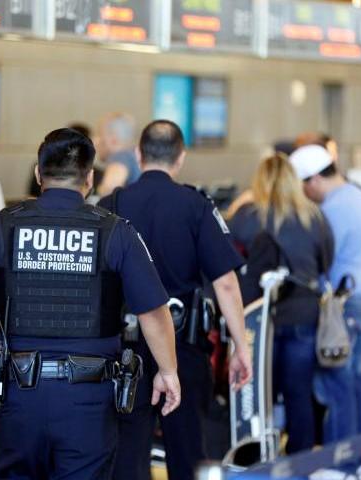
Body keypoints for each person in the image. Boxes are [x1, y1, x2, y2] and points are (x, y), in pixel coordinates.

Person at [0, 128, 181, 480]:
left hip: (17, 396)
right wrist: (168, 371)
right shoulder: (116, 232)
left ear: (39, 175)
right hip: (88, 402)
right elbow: (152, 312)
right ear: (89, 178)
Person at [99, 120, 252, 480]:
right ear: (181, 158)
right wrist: (241, 347)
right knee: (187, 453)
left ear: (139, 154)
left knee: (128, 453)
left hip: (124, 350)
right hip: (184, 348)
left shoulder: (112, 203)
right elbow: (226, 283)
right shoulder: (196, 205)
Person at [228, 154, 334, 455]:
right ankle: (300, 465)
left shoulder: (247, 217)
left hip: (259, 319)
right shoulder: (314, 216)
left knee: (260, 392)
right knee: (299, 393)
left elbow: (228, 261)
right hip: (304, 313)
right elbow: (327, 261)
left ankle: (261, 455)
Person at [290, 145, 361, 480]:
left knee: (336, 382)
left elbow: (323, 259)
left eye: (304, 185)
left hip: (343, 307)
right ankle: (359, 461)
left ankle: (338, 464)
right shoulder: (360, 198)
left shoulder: (333, 209)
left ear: (315, 179)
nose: (304, 192)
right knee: (354, 381)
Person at [95, 112, 142, 196]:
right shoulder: (135, 155)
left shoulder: (120, 156)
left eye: (100, 135)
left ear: (113, 140)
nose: (96, 141)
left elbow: (109, 188)